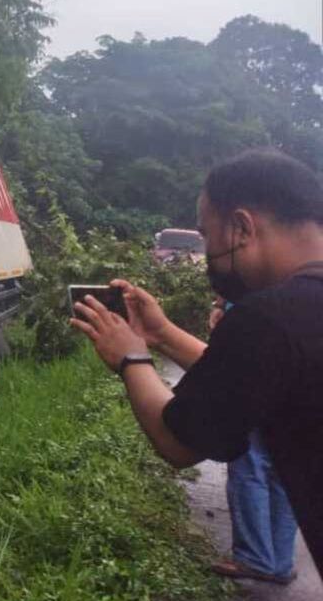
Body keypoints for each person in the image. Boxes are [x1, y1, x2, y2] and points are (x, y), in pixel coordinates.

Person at [69, 148, 323, 569]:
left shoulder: (271, 316)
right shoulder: (293, 319)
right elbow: (248, 376)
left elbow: (179, 443)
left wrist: (131, 358)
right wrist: (161, 334)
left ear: (241, 227)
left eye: (206, 236)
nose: (206, 254)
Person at [206, 297, 300, 584]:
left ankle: (255, 558)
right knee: (284, 465)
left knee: (249, 458)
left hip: (260, 358)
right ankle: (280, 562)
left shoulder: (260, 285)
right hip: (300, 361)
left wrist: (224, 308)